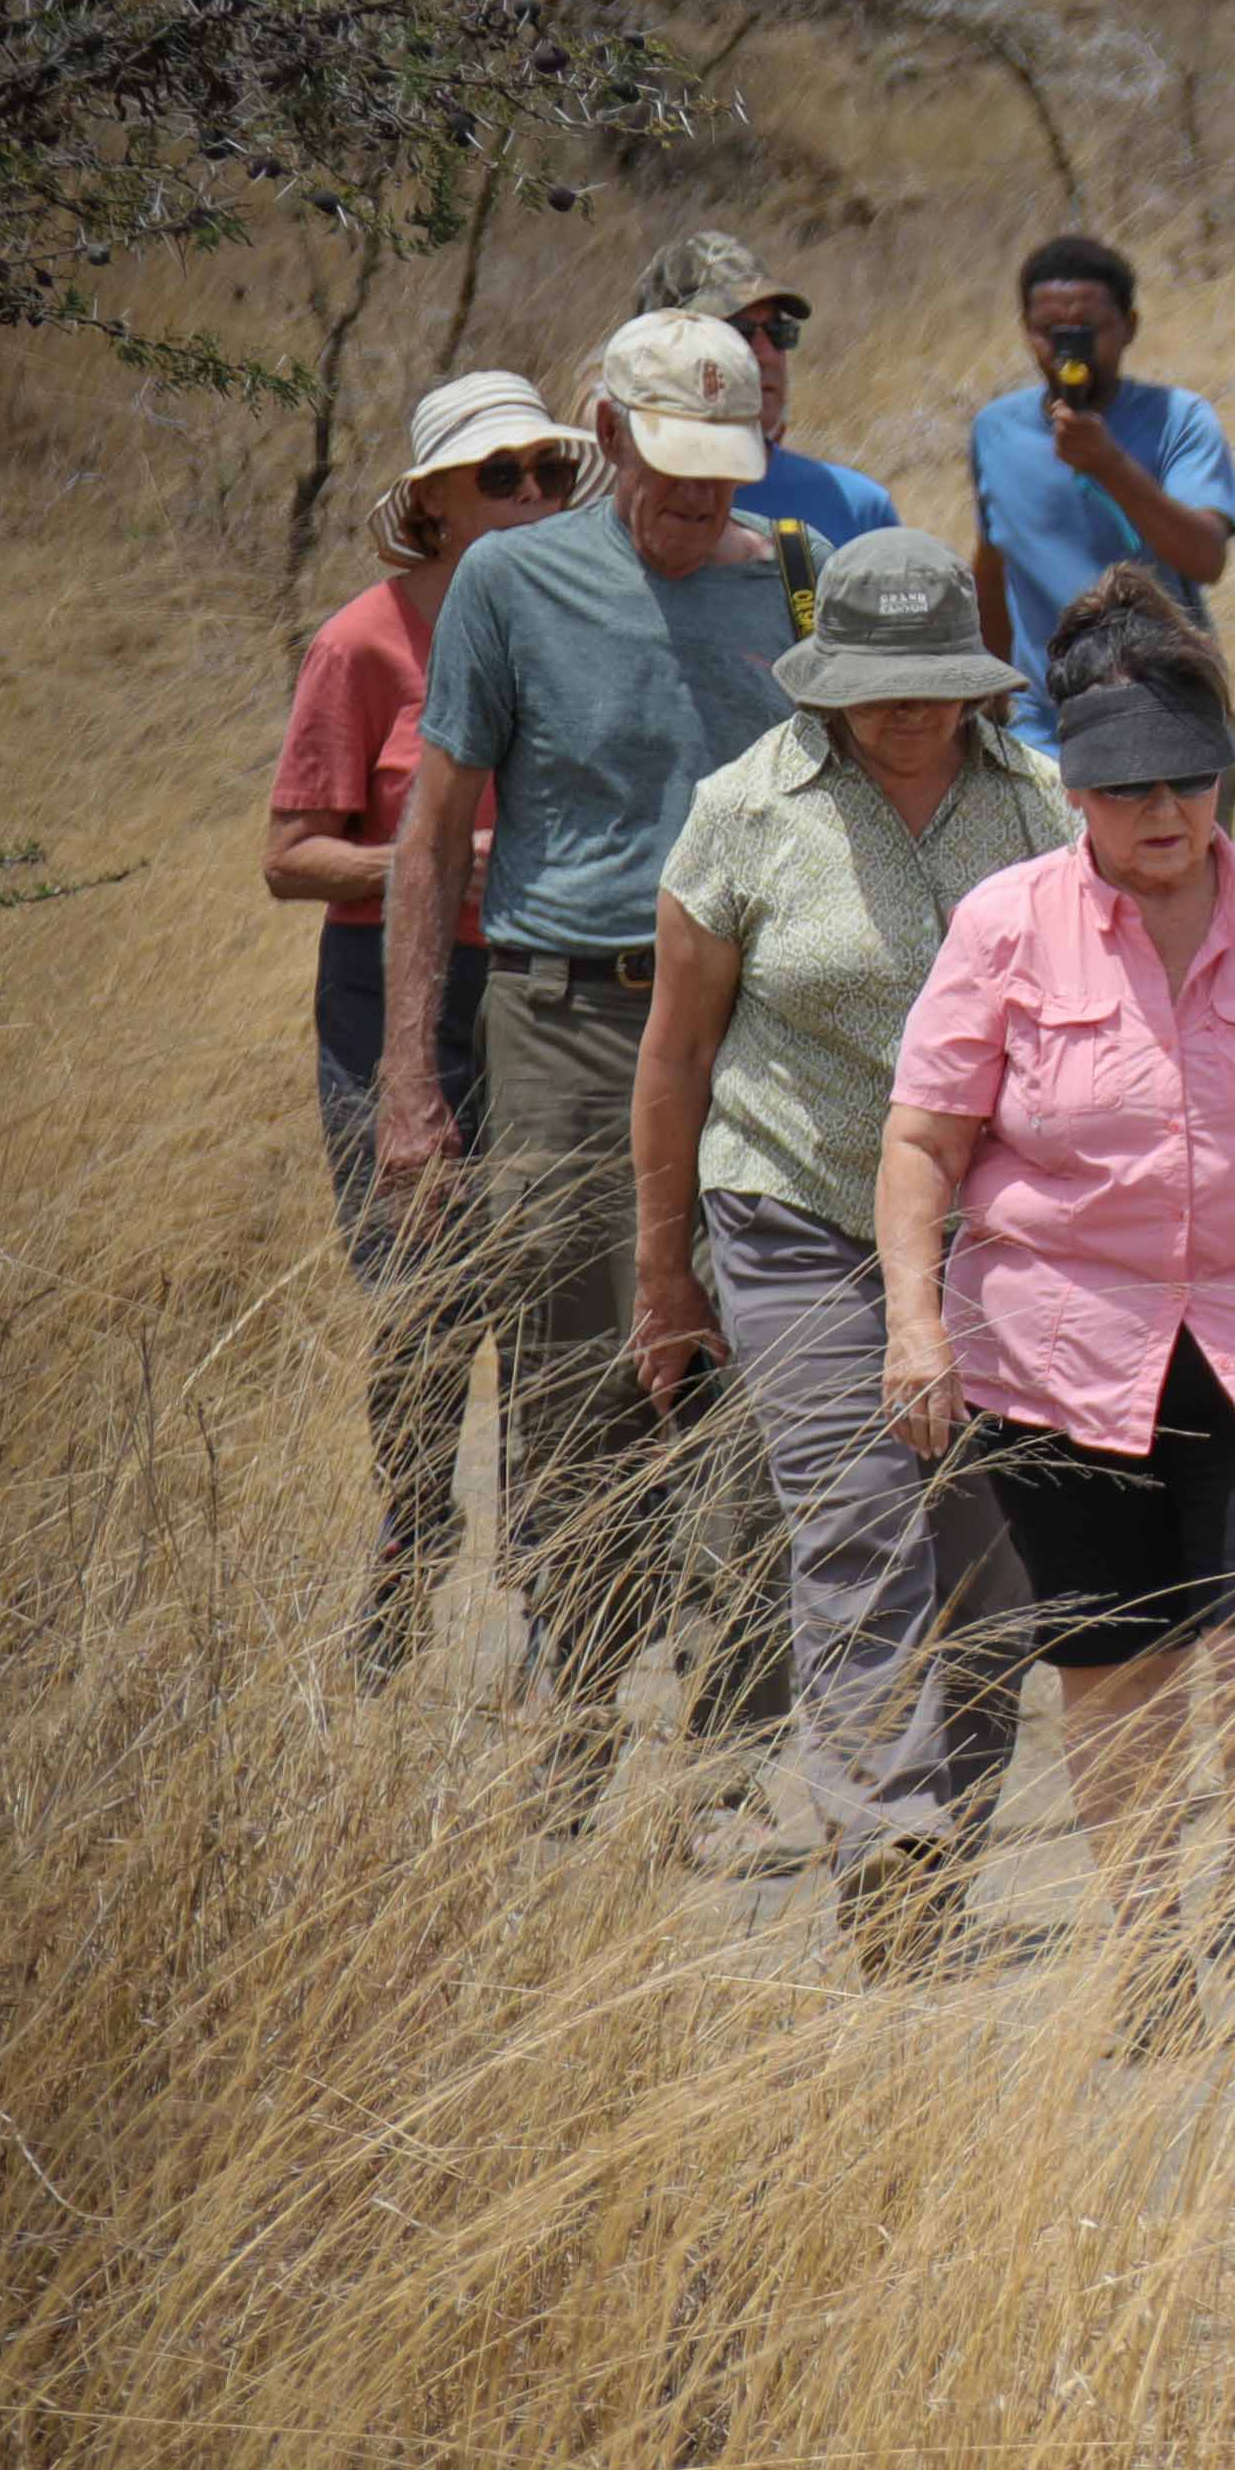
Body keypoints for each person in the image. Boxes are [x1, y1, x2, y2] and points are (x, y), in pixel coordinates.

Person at [881, 573, 1235, 2043]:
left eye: (1191, 780)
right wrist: (915, 1324)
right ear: (1074, 787)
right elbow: (924, 1142)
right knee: (1115, 1663)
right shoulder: (1006, 927)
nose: (1166, 811)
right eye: (1132, 786)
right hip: (1063, 1355)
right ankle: (1146, 1940)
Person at [372, 311, 822, 1803]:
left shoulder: (797, 583)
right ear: (608, 434)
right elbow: (433, 834)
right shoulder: (510, 582)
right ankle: (577, 1708)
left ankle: (735, 1739)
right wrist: (412, 1081)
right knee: (575, 1381)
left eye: (726, 468)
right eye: (672, 464)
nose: (700, 498)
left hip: (762, 1033)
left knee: (773, 1356)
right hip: (568, 1026)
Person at [631, 531, 1064, 1972]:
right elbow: (676, 1053)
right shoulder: (744, 813)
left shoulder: (1043, 809)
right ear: (826, 681)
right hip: (795, 1213)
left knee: (996, 1566)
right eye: (879, 689)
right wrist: (664, 1269)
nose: (909, 713)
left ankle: (943, 1864)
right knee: (859, 1523)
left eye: (934, 685)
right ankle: (888, 1841)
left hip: (990, 1237)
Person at [272, 369, 579, 1685]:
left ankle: (557, 1580)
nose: (530, 496)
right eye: (499, 476)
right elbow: (291, 856)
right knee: (421, 1295)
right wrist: (438, 861)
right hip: (396, 998)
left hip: (555, 991)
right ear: (432, 503)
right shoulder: (363, 644)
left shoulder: (583, 623)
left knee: (556, 1293)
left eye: (551, 474)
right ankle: (410, 1544)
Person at [966, 232, 1235, 751]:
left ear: (1130, 326)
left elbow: (1205, 557)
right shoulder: (995, 431)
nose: (1068, 349)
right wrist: (987, 693)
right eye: (1050, 332)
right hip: (1044, 729)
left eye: (1088, 331)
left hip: (1167, 713)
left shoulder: (1179, 421)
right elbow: (995, 566)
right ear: (1026, 330)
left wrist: (1110, 466)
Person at [636, 228, 900, 574]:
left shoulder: (857, 509)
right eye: (736, 333)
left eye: (778, 333)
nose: (766, 355)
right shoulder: (598, 505)